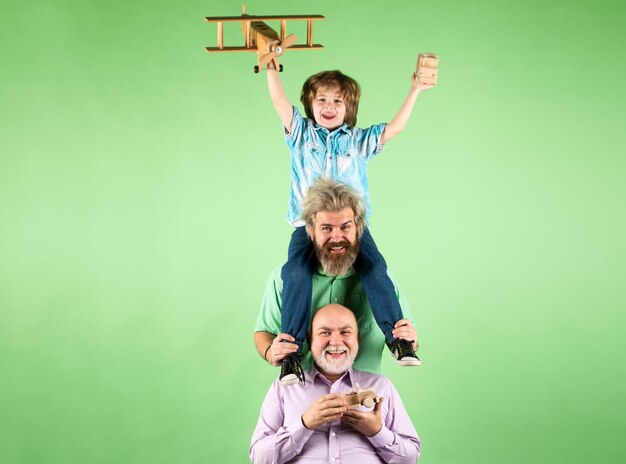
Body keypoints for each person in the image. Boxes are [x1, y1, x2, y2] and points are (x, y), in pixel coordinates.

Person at [266, 64, 435, 385]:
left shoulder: (357, 141)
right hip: (308, 225)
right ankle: (290, 354)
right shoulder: (301, 135)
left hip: (350, 227)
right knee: (296, 273)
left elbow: (393, 129)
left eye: (338, 101)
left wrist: (415, 90)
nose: (329, 107)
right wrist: (271, 69)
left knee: (374, 268)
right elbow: (279, 103)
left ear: (350, 108)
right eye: (322, 101)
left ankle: (398, 339)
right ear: (310, 105)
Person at [255, 179, 420, 385]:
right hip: (302, 393)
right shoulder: (283, 278)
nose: (336, 237)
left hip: (365, 395)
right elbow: (263, 332)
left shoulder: (383, 279)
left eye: (345, 227)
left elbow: (410, 333)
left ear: (358, 229)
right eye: (326, 228)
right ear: (310, 231)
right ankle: (292, 362)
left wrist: (409, 339)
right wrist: (271, 352)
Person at [250, 303, 421, 463]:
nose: (336, 342)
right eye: (325, 333)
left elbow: (410, 458)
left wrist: (377, 432)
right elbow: (259, 457)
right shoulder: (283, 388)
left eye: (345, 332)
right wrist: (304, 424)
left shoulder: (381, 386)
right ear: (309, 341)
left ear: (357, 339)